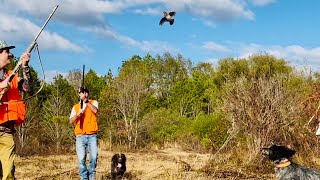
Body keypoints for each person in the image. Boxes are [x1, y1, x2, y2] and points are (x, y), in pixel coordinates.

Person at [0, 41, 32, 180]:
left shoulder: (11, 75)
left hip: (5, 131)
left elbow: (28, 89)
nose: (11, 54)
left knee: (8, 172)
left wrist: (25, 66)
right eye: (7, 51)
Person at [69, 86, 99, 180]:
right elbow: (71, 121)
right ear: (79, 94)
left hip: (92, 135)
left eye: (85, 92)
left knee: (93, 157)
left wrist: (86, 101)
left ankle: (92, 176)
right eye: (82, 92)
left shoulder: (93, 102)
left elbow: (95, 110)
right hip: (80, 136)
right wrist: (78, 115)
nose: (84, 93)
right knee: (81, 159)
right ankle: (84, 177)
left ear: (88, 93)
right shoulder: (76, 107)